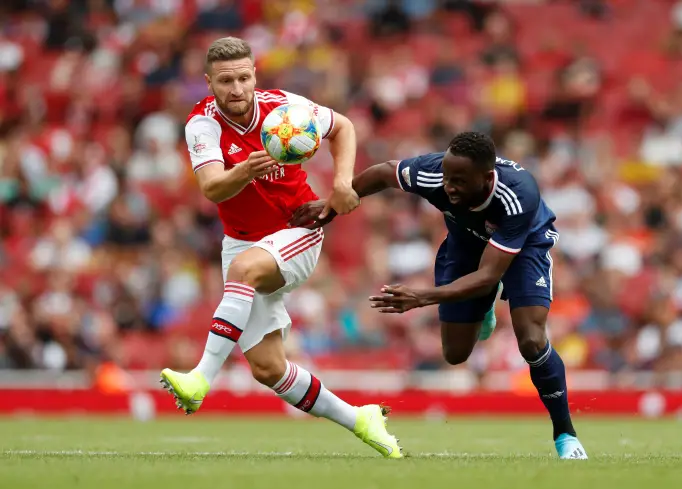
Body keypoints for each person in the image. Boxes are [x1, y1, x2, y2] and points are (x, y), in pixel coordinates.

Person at [159, 37, 402, 459]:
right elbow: (213, 187)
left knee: (244, 273)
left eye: (243, 77)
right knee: (269, 368)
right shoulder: (202, 124)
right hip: (241, 242)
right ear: (209, 82)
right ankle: (362, 419)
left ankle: (199, 378)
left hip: (298, 229)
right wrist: (246, 170)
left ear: (255, 74)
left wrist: (342, 183)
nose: (236, 89)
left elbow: (342, 126)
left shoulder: (283, 108)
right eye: (225, 81)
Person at [290, 132, 587, 460]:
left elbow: (489, 272)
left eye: (459, 180)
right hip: (464, 246)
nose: (448, 186)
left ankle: (565, 435)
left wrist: (422, 297)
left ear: (486, 178)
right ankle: (483, 301)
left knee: (530, 339)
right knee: (456, 353)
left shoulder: (519, 195)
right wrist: (332, 205)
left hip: (522, 248)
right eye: (446, 177)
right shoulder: (433, 173)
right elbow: (384, 172)